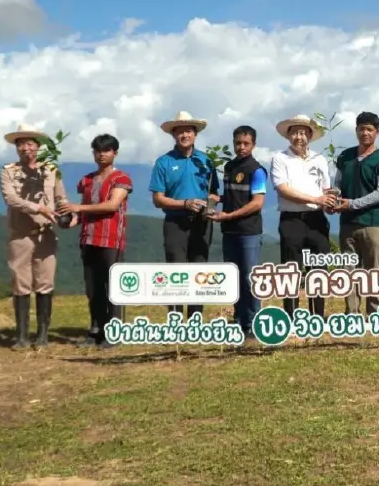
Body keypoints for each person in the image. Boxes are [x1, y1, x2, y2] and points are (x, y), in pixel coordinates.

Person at [59, 134, 133, 348]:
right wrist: (72, 220)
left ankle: (115, 332)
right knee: (93, 288)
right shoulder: (87, 180)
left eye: (106, 150)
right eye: (97, 150)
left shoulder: (122, 179)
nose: (101, 154)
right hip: (89, 237)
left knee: (114, 288)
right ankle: (96, 329)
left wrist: (78, 208)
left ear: (115, 153)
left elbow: (111, 205)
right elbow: (83, 210)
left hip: (111, 238)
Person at [0, 124, 68, 350]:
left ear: (38, 147)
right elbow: (11, 199)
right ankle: (21, 336)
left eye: (30, 143)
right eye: (21, 144)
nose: (25, 148)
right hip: (20, 235)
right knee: (21, 284)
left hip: (45, 234)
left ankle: (43, 334)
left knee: (45, 283)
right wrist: (39, 208)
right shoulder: (8, 171)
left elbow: (61, 199)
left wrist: (69, 215)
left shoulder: (50, 170)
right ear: (16, 148)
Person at [150, 111, 219, 322]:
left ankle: (196, 319)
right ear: (173, 135)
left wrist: (210, 204)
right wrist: (184, 204)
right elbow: (158, 199)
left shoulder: (206, 161)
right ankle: (176, 320)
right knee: (176, 271)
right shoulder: (164, 162)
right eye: (179, 131)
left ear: (195, 134)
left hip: (202, 221)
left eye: (188, 130)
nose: (184, 135)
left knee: (199, 268)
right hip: (175, 222)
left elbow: (215, 192)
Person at [269, 114, 338, 318]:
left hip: (317, 219)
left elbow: (325, 189)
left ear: (310, 135)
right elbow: (283, 189)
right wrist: (316, 199)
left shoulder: (320, 159)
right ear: (288, 136)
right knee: (291, 271)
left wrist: (330, 202)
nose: (299, 137)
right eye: (295, 132)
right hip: (292, 220)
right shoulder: (280, 159)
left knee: (319, 270)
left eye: (303, 132)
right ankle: (290, 317)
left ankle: (317, 316)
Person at [333, 111, 379, 315]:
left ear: (377, 133)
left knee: (373, 271)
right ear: (356, 131)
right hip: (347, 224)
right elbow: (338, 184)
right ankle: (352, 313)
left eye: (369, 129)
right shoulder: (345, 157)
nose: (365, 133)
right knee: (348, 271)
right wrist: (332, 198)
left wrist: (352, 204)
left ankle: (375, 314)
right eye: (361, 129)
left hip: (373, 223)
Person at [210, 125, 268, 337]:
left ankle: (253, 323)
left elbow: (257, 203)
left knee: (249, 278)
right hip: (229, 231)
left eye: (246, 143)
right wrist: (220, 200)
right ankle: (238, 320)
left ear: (254, 144)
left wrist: (229, 215)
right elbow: (234, 197)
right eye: (238, 143)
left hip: (249, 231)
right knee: (234, 277)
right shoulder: (229, 167)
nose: (241, 147)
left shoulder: (257, 170)